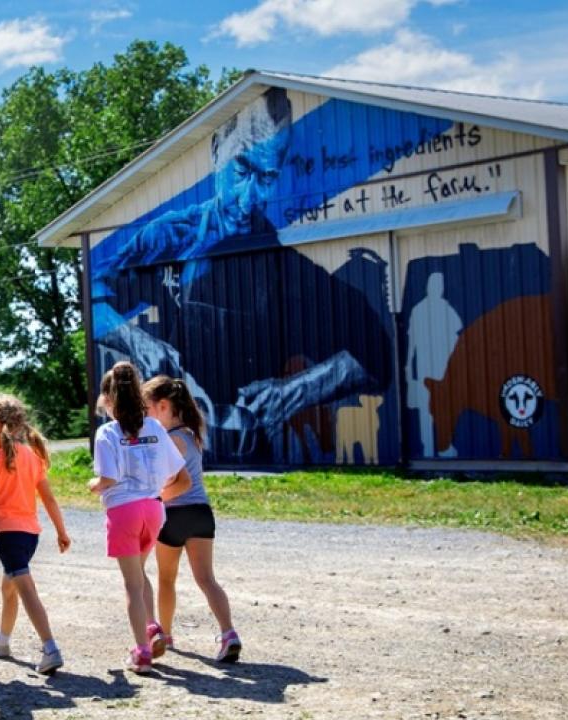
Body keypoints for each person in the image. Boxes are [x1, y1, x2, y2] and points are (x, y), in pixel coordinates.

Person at [92, 88, 392, 463]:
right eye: (242, 169)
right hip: (169, 451)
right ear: (217, 149)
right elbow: (93, 294)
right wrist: (139, 342)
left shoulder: (292, 272)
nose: (249, 198)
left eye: (266, 178)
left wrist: (293, 391)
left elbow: (377, 353)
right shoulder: (171, 236)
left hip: (249, 452)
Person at [87, 363, 190, 674]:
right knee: (141, 573)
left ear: (108, 398)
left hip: (124, 511)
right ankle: (152, 627)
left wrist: (94, 486)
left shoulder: (107, 432)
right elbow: (174, 470)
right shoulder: (156, 428)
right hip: (154, 509)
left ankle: (142, 652)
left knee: (132, 584)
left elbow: (108, 477)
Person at [142, 376, 240, 663]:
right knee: (207, 579)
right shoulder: (192, 434)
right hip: (201, 514)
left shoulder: (169, 439)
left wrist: (155, 496)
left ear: (163, 406)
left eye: (148, 409)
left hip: (174, 514)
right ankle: (228, 633)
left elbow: (174, 482)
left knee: (166, 579)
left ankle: (167, 634)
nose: (147, 416)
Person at [0, 393, 71, 675]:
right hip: (30, 535)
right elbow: (49, 499)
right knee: (9, 587)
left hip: (7, 534)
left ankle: (50, 647)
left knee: (26, 589)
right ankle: (2, 642)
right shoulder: (32, 456)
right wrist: (61, 531)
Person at [405, 272, 462, 458]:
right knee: (427, 410)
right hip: (431, 369)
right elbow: (411, 341)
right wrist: (407, 366)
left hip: (440, 369)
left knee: (438, 410)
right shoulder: (422, 310)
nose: (438, 288)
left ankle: (441, 447)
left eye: (440, 285)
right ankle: (430, 449)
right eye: (436, 284)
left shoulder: (442, 308)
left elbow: (457, 334)